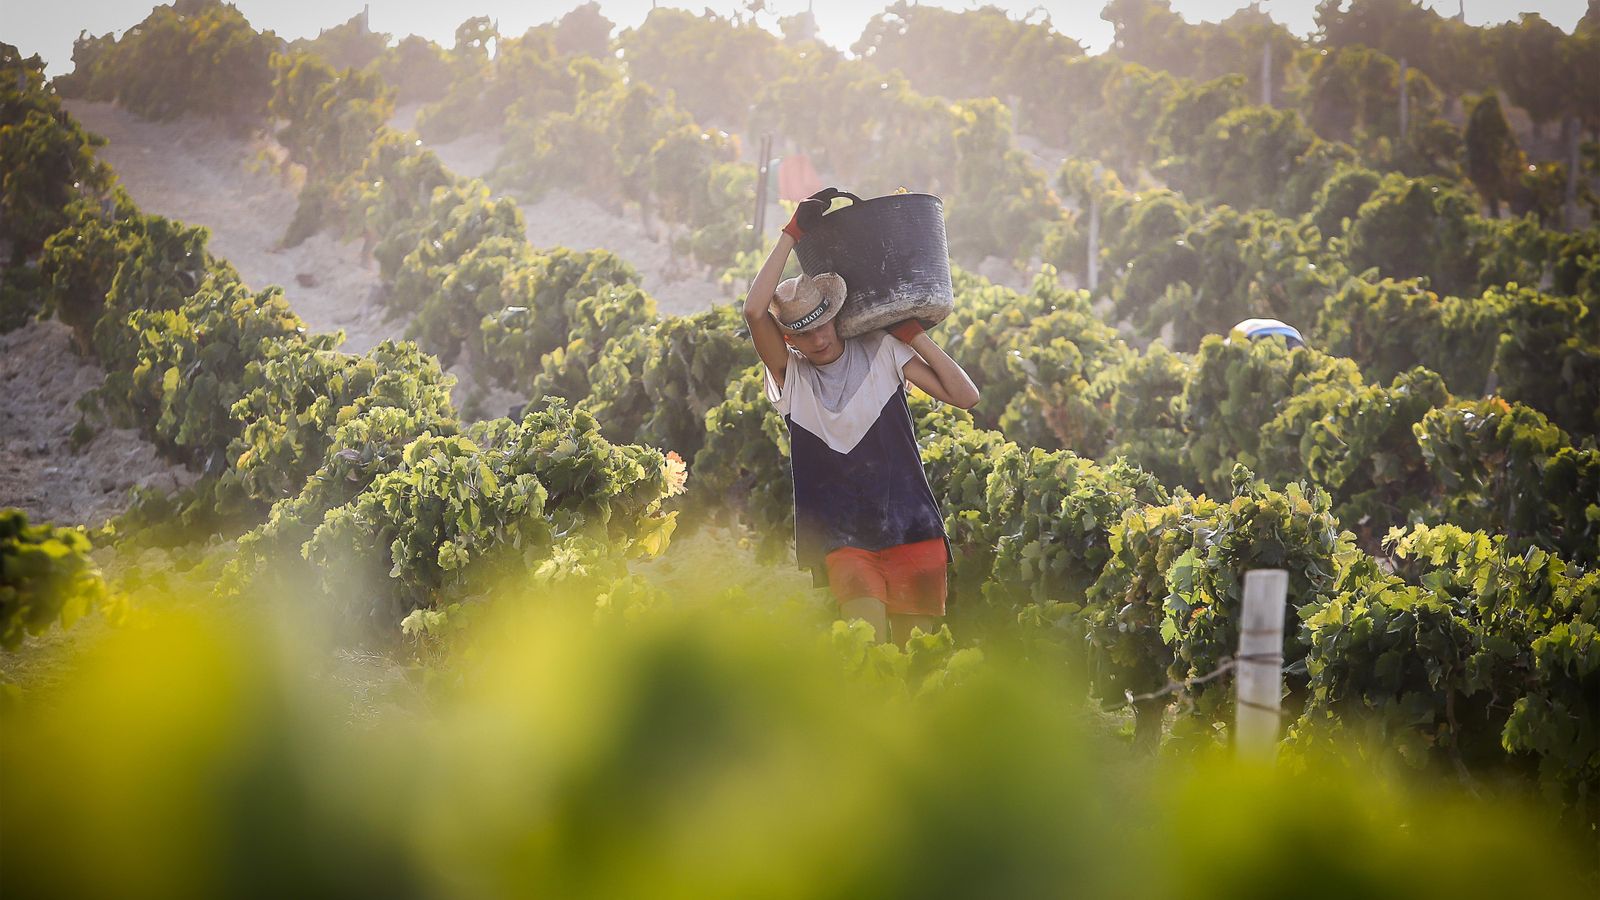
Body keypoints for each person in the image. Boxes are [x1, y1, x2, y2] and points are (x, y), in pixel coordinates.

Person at [740, 190, 980, 647]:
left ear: (836, 316)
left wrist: (912, 335)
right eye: (802, 333)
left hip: (913, 530)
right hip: (845, 539)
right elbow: (754, 311)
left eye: (822, 325)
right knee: (867, 657)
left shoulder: (882, 352)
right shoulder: (793, 380)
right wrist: (791, 235)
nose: (816, 340)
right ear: (789, 339)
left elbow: (965, 396)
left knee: (915, 662)